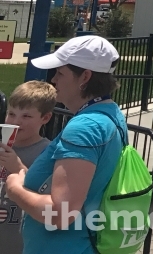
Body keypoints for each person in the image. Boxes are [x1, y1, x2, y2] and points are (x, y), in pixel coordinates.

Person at [0, 35, 127, 254]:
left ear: (85, 77)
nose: (54, 80)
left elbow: (60, 213)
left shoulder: (85, 127)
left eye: (60, 73)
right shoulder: (110, 114)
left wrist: (15, 188)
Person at [1, 81, 57, 254]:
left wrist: (18, 168)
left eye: (26, 116)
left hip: (20, 243)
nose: (16, 121)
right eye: (11, 113)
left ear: (45, 118)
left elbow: (48, 199)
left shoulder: (47, 153)